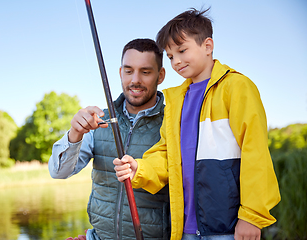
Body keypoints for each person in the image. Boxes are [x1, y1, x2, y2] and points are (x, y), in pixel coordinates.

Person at [113, 9, 281, 240]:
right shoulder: (174, 101)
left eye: (182, 50)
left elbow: (256, 153)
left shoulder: (237, 87)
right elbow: (166, 154)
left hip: (228, 226)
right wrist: (140, 169)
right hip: (185, 228)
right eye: (171, 56)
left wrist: (251, 215)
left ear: (208, 45)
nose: (177, 62)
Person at [48, 38, 170, 240]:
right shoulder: (100, 121)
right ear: (120, 73)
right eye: (128, 71)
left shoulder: (174, 123)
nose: (135, 80)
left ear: (161, 75)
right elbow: (58, 172)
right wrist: (75, 133)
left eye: (145, 72)